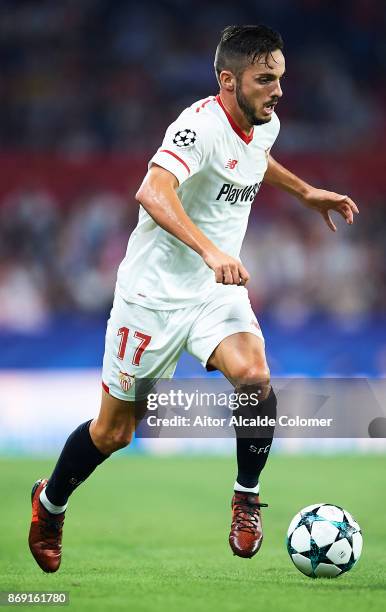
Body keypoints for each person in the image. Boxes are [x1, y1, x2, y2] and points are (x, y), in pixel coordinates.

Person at [29, 24, 359, 572]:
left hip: (213, 292)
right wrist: (209, 250)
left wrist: (305, 192)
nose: (277, 90)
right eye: (264, 80)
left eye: (280, 78)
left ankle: (246, 497)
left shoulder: (264, 122)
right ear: (228, 81)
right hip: (151, 298)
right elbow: (152, 191)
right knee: (114, 432)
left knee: (254, 376)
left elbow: (253, 159)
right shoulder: (196, 126)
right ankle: (50, 504)